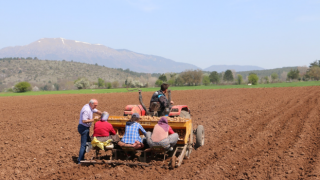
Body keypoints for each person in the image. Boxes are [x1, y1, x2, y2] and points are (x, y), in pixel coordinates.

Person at [77, 99, 102, 164]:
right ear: (91, 104)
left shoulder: (90, 107)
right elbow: (84, 121)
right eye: (95, 105)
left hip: (86, 128)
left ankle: (81, 158)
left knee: (88, 142)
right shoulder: (86, 109)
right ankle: (80, 160)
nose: (96, 107)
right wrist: (94, 119)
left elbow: (97, 111)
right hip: (83, 128)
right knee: (84, 145)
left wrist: (103, 114)